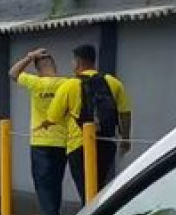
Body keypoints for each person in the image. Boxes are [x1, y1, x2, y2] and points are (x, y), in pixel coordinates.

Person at [48, 42, 132, 205]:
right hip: (106, 143)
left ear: (78, 62)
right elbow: (125, 112)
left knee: (86, 192)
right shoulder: (113, 82)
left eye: (73, 61)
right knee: (99, 188)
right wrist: (126, 138)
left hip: (78, 146)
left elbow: (53, 117)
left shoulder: (69, 85)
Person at [10, 46, 69, 215]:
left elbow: (13, 73)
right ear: (54, 65)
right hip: (62, 141)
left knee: (43, 185)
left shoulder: (35, 82)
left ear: (37, 69)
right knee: (56, 182)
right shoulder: (66, 83)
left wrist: (29, 56)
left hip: (40, 141)